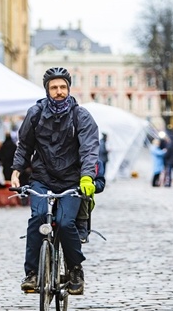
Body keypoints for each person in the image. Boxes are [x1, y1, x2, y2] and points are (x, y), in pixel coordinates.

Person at [11, 66, 99, 296]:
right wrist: (16, 171)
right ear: (47, 90)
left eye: (62, 87)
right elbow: (24, 145)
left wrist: (87, 176)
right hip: (42, 177)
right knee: (38, 218)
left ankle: (75, 270)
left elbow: (90, 149)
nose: (59, 91)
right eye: (54, 87)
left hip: (71, 180)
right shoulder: (36, 113)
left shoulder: (81, 116)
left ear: (68, 89)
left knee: (65, 223)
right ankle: (31, 273)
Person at [76, 159, 106, 243]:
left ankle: (82, 225)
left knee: (82, 193)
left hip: (83, 203)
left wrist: (92, 185)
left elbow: (100, 184)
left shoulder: (96, 162)